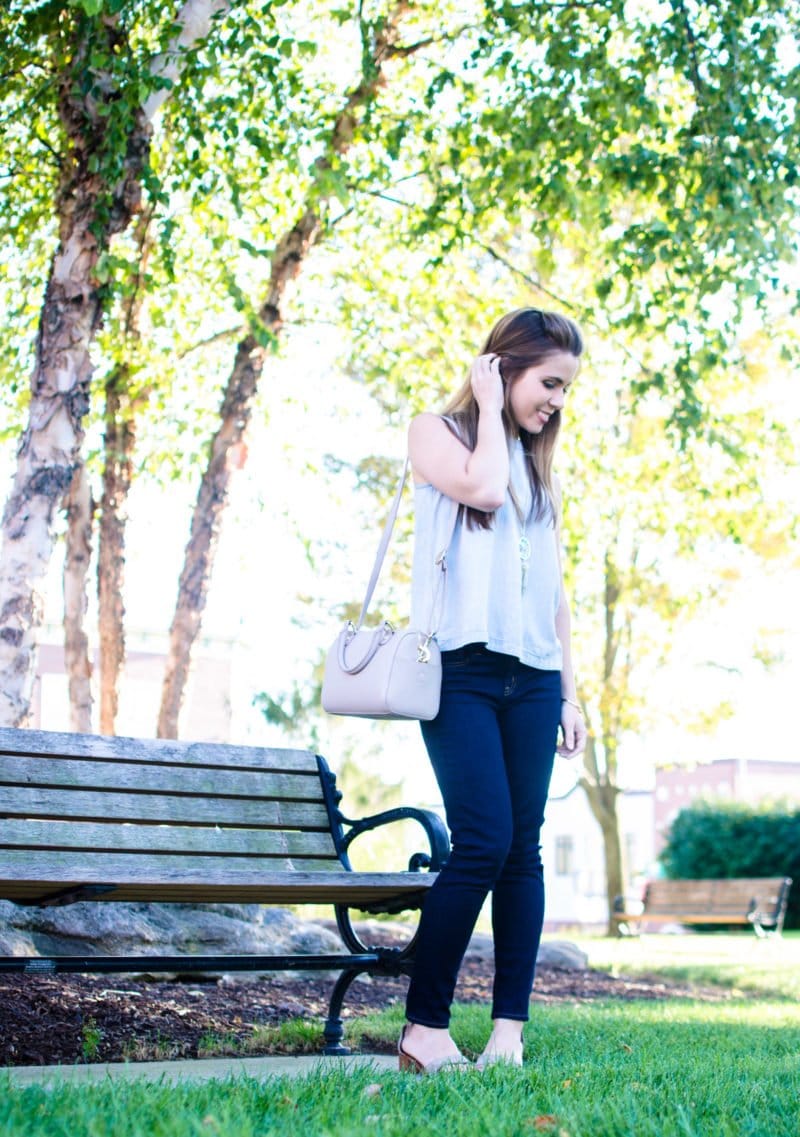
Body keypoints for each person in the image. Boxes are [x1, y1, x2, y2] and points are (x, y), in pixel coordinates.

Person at [398, 307, 588, 1074]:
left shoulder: (538, 469)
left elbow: (555, 594)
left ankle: (508, 1032)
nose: (557, 402)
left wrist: (572, 693)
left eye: (567, 389)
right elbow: (478, 490)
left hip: (535, 677)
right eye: (549, 383)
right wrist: (483, 406)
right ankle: (424, 1026)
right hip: (461, 672)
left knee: (524, 851)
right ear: (502, 368)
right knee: (483, 840)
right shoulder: (436, 432)